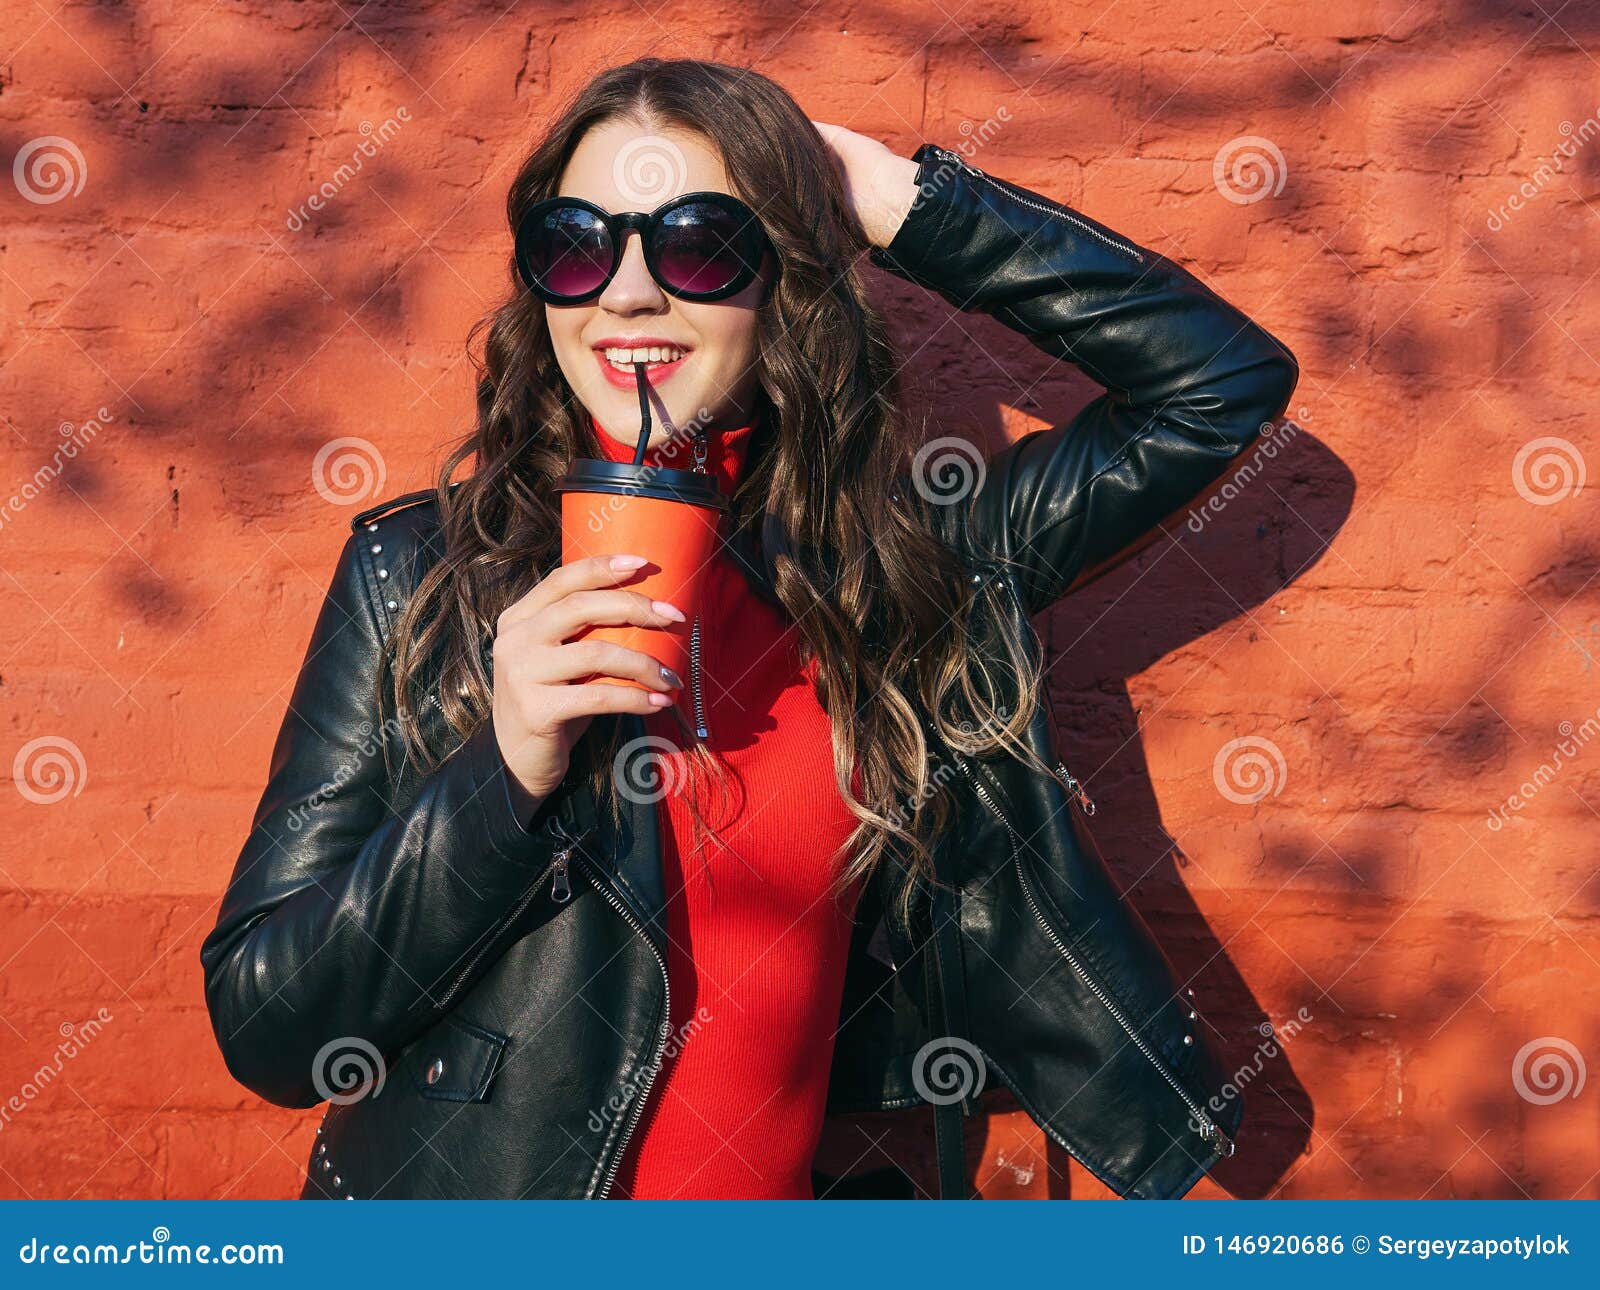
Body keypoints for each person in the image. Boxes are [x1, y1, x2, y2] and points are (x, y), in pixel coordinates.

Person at [199, 56, 1298, 1200]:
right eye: (578, 243)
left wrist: (907, 206)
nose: (627, 294)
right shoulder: (417, 572)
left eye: (698, 244)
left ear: (785, 279)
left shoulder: (911, 567)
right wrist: (502, 771)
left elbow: (1217, 386)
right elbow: (270, 1027)